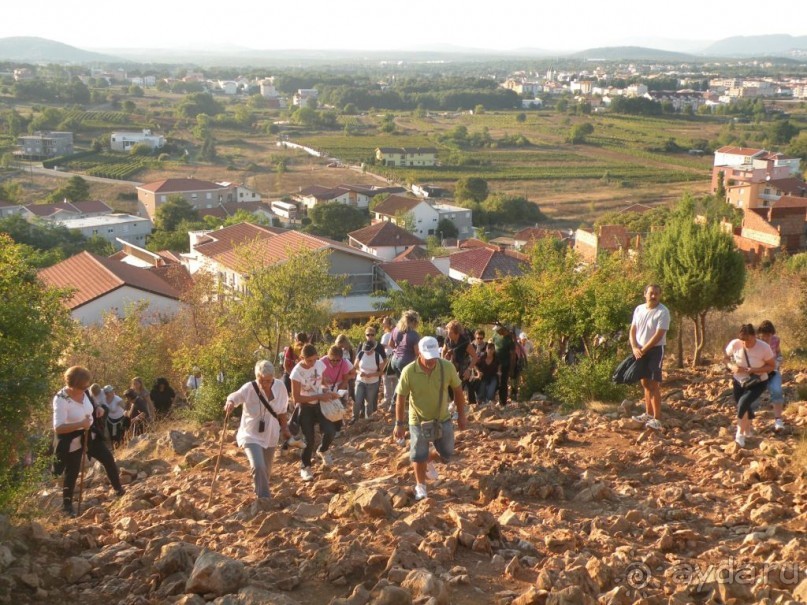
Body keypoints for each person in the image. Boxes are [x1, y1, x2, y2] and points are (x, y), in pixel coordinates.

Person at [394, 337, 467, 501]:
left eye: (434, 356)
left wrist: (462, 415)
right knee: (418, 455)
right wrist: (399, 423)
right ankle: (421, 486)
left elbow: (458, 391)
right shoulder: (409, 371)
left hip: (442, 418)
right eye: (428, 357)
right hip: (417, 419)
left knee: (447, 454)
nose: (431, 360)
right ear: (418, 353)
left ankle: (429, 457)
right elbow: (400, 398)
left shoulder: (446, 367)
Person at [53, 366, 125, 517]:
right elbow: (58, 428)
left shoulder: (84, 390)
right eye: (83, 386)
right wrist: (80, 424)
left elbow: (92, 402)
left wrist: (98, 408)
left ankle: (119, 490)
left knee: (108, 458)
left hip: (90, 436)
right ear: (73, 386)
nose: (86, 388)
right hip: (72, 440)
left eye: (87, 385)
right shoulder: (61, 399)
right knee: (71, 473)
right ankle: (67, 507)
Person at [224, 361, 290, 500]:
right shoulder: (249, 388)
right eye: (262, 380)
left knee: (265, 470)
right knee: (258, 466)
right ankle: (264, 499)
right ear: (257, 377)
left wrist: (285, 429)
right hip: (250, 434)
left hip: (271, 434)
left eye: (268, 381)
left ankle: (259, 490)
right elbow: (235, 396)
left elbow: (282, 410)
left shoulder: (280, 387)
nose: (265, 384)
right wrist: (230, 403)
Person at [290, 343, 341, 482]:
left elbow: (322, 383)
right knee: (309, 439)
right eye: (309, 360)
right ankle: (305, 466)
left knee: (330, 431)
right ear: (302, 357)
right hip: (305, 407)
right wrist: (318, 396)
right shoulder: (296, 373)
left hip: (320, 404)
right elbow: (296, 398)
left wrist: (329, 392)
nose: (313, 363)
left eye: (315, 359)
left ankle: (323, 450)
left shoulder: (319, 365)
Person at [725, 324, 775, 447]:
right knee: (744, 406)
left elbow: (771, 366)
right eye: (743, 340)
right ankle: (747, 431)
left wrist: (753, 370)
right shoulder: (735, 344)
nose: (745, 343)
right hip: (739, 381)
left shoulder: (764, 347)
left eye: (748, 340)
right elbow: (725, 358)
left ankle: (739, 434)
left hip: (758, 381)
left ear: (754, 336)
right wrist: (732, 366)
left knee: (743, 404)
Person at [629, 284, 671, 431]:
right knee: (645, 383)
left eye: (656, 294)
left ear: (660, 295)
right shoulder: (639, 309)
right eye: (651, 293)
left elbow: (659, 334)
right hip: (639, 350)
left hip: (654, 351)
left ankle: (657, 419)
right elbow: (633, 329)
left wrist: (644, 350)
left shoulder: (663, 312)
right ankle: (648, 413)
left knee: (653, 384)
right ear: (645, 294)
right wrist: (635, 347)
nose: (653, 296)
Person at [353, 326, 388, 422]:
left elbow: (383, 366)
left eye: (372, 334)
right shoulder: (361, 348)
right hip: (361, 380)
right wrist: (360, 372)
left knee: (370, 401)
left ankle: (370, 418)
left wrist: (373, 374)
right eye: (368, 335)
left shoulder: (379, 349)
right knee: (358, 399)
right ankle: (356, 417)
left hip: (374, 380)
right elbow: (355, 366)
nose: (370, 336)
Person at [757, 320, 786, 432]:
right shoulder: (756, 342)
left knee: (777, 391)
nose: (765, 337)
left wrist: (776, 363)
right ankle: (747, 424)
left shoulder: (776, 340)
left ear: (772, 334)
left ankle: (778, 420)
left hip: (773, 372)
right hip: (758, 372)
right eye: (763, 335)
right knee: (749, 395)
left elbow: (779, 354)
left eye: (768, 335)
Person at [442, 320, 478, 405]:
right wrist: (443, 359)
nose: (448, 334)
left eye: (450, 332)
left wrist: (469, 369)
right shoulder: (447, 339)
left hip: (464, 363)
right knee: (449, 383)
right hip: (452, 362)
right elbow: (444, 350)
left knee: (467, 382)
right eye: (447, 332)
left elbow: (475, 357)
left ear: (457, 333)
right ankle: (454, 402)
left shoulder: (465, 342)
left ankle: (472, 404)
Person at [390, 310, 421, 376]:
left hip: (394, 360)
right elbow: (417, 352)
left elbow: (390, 344)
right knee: (409, 384)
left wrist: (399, 349)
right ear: (414, 322)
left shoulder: (395, 329)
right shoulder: (414, 335)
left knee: (400, 382)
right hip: (406, 362)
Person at [492, 323, 516, 406]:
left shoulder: (509, 340)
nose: (497, 331)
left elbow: (512, 356)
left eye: (498, 330)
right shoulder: (495, 335)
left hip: (505, 364)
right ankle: (492, 400)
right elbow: (492, 344)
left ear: (503, 329)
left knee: (503, 383)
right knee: (494, 381)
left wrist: (511, 369)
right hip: (495, 363)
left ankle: (503, 402)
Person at [380, 316, 399, 413]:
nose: (383, 324)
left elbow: (382, 349)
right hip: (396, 357)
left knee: (386, 380)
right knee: (395, 380)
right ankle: (395, 401)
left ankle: (388, 400)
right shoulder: (397, 333)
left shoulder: (386, 335)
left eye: (384, 323)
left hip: (388, 358)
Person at [475, 341, 500, 406]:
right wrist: (478, 372)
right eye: (489, 349)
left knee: (490, 395)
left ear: (494, 350)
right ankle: (480, 403)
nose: (490, 351)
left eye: (492, 349)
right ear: (486, 349)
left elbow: (500, 365)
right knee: (481, 395)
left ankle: (488, 403)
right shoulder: (482, 357)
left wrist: (499, 371)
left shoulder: (496, 358)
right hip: (483, 377)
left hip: (493, 377)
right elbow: (475, 365)